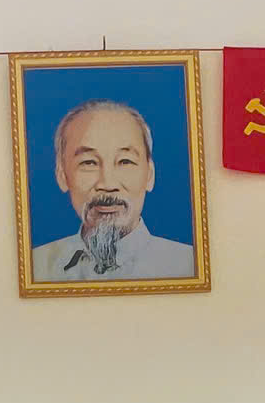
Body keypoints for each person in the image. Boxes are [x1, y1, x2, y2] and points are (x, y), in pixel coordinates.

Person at [27, 98, 198, 281]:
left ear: (149, 175)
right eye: (89, 163)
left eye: (125, 161)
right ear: (62, 176)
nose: (108, 184)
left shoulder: (189, 265)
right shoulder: (35, 268)